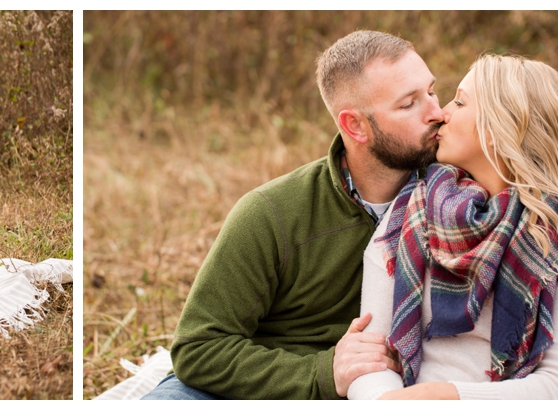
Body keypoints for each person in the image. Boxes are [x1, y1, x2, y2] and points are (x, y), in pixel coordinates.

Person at [141, 30, 442, 399]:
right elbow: (199, 348)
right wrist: (322, 373)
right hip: (267, 381)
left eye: (431, 91)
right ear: (355, 126)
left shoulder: (455, 200)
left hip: (383, 388)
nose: (436, 113)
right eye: (408, 104)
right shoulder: (271, 212)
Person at [347, 54, 558, 400]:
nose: (443, 112)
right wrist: (385, 402)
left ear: (500, 126)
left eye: (460, 101)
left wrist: (443, 398)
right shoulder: (410, 212)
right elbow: (369, 359)